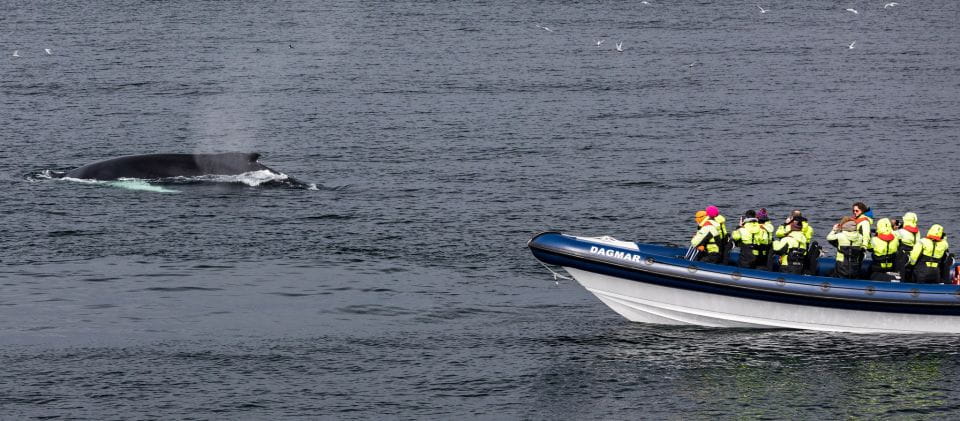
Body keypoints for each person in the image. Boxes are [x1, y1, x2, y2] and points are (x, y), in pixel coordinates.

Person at [893, 212, 920, 277]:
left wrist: (894, 229)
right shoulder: (917, 232)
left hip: (903, 256)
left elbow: (890, 235)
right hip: (913, 254)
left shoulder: (901, 232)